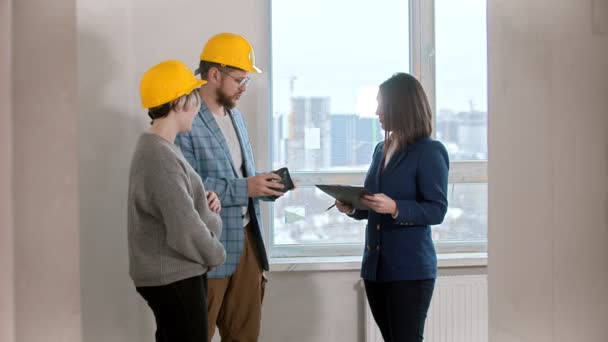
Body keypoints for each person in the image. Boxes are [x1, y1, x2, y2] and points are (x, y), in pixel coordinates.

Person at [175, 33, 285, 342]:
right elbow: (187, 187)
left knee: (244, 336)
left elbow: (239, 175)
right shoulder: (185, 117)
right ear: (214, 74)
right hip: (208, 247)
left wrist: (264, 185)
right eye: (238, 80)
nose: (243, 88)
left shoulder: (235, 115)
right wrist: (245, 188)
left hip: (247, 242)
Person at [335, 73, 449, 342]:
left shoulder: (430, 151)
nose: (376, 111)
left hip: (409, 270)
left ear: (400, 106)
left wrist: (396, 207)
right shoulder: (380, 149)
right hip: (376, 269)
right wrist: (352, 207)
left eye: (381, 104)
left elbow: (436, 209)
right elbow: (373, 204)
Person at [128, 60, 226, 342]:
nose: (198, 106)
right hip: (174, 276)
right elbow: (185, 228)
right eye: (195, 98)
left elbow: (188, 213)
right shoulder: (160, 157)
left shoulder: (159, 149)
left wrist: (205, 209)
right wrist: (217, 253)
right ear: (179, 102)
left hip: (173, 274)